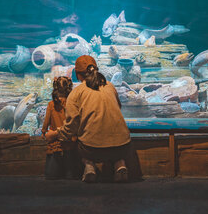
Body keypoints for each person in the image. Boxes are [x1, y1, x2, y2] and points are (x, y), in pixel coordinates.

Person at [45, 55, 141, 183]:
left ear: (78, 75)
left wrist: (55, 134)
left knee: (78, 141)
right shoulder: (110, 86)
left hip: (91, 150)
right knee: (114, 145)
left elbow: (70, 128)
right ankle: (120, 164)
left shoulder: (76, 93)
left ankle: (89, 166)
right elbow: (118, 107)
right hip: (123, 147)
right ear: (97, 69)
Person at [41, 76, 82, 180]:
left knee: (52, 174)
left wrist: (43, 131)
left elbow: (46, 121)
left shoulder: (51, 105)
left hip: (56, 142)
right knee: (71, 172)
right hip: (70, 141)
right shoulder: (72, 103)